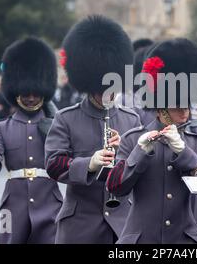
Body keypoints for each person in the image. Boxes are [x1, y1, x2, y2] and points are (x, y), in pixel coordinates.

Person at [106, 38, 197, 244]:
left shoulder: (195, 143)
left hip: (184, 240)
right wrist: (140, 152)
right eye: (178, 106)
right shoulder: (133, 139)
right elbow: (116, 187)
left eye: (187, 105)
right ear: (161, 106)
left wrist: (185, 154)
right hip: (141, 239)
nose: (185, 111)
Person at [45, 15, 141, 244]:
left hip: (124, 225)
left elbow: (141, 173)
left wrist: (131, 156)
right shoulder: (66, 118)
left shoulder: (131, 119)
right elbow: (53, 165)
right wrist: (89, 163)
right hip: (80, 226)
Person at [0, 37, 63, 243]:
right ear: (16, 91)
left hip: (49, 202)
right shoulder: (2, 127)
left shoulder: (56, 124)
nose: (31, 97)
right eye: (26, 93)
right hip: (13, 206)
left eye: (36, 93)